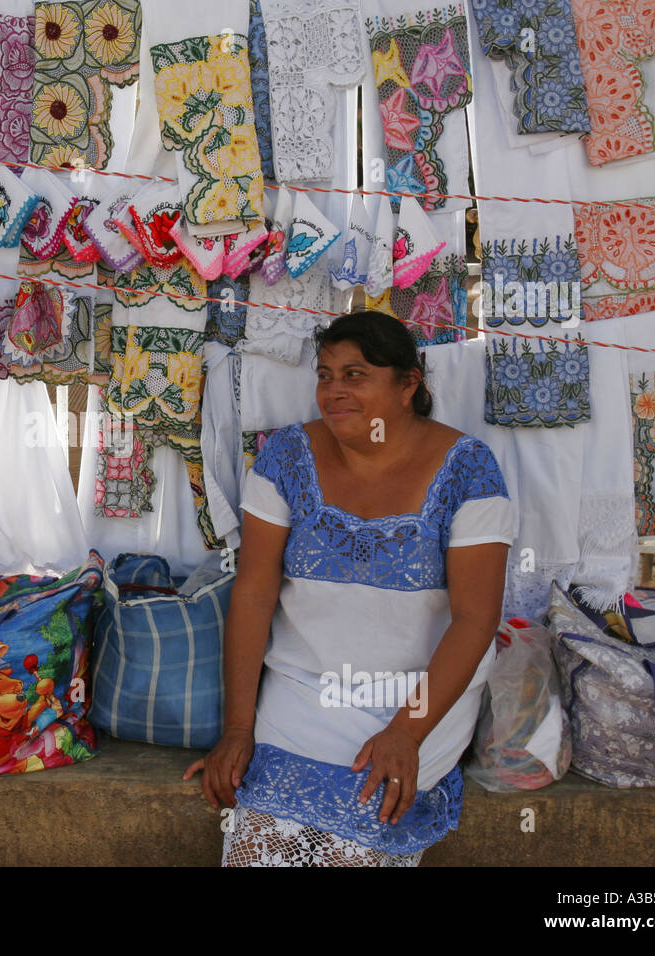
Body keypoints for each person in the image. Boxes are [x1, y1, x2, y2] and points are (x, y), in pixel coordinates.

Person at [186, 310, 512, 866]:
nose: (334, 391)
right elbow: (254, 593)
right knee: (256, 842)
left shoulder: (468, 471)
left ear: (409, 384)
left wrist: (407, 733)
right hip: (304, 690)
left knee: (356, 839)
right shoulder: (286, 457)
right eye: (325, 375)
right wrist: (238, 728)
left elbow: (475, 620)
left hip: (416, 697)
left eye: (355, 375)